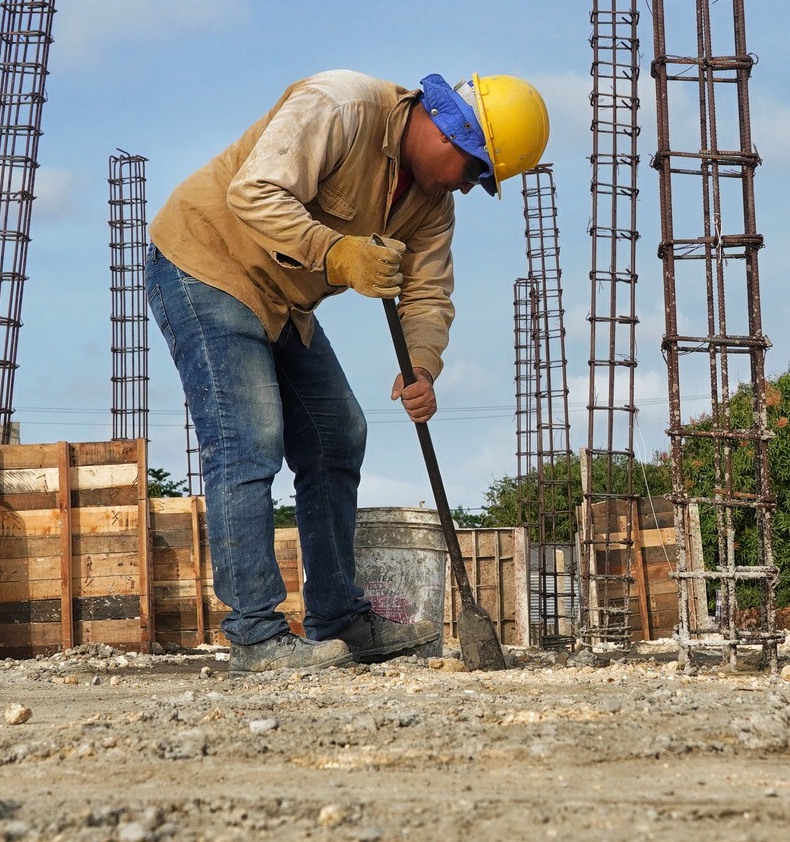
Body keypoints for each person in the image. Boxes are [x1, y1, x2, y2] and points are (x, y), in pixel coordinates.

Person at [149, 69, 548, 672]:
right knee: (247, 440)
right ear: (450, 133)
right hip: (208, 263)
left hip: (285, 297)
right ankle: (255, 635)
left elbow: (428, 293)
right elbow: (254, 191)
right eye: (475, 172)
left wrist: (422, 365)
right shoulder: (341, 105)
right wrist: (338, 253)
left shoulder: (432, 208)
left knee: (338, 434)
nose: (469, 188)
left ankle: (336, 619)